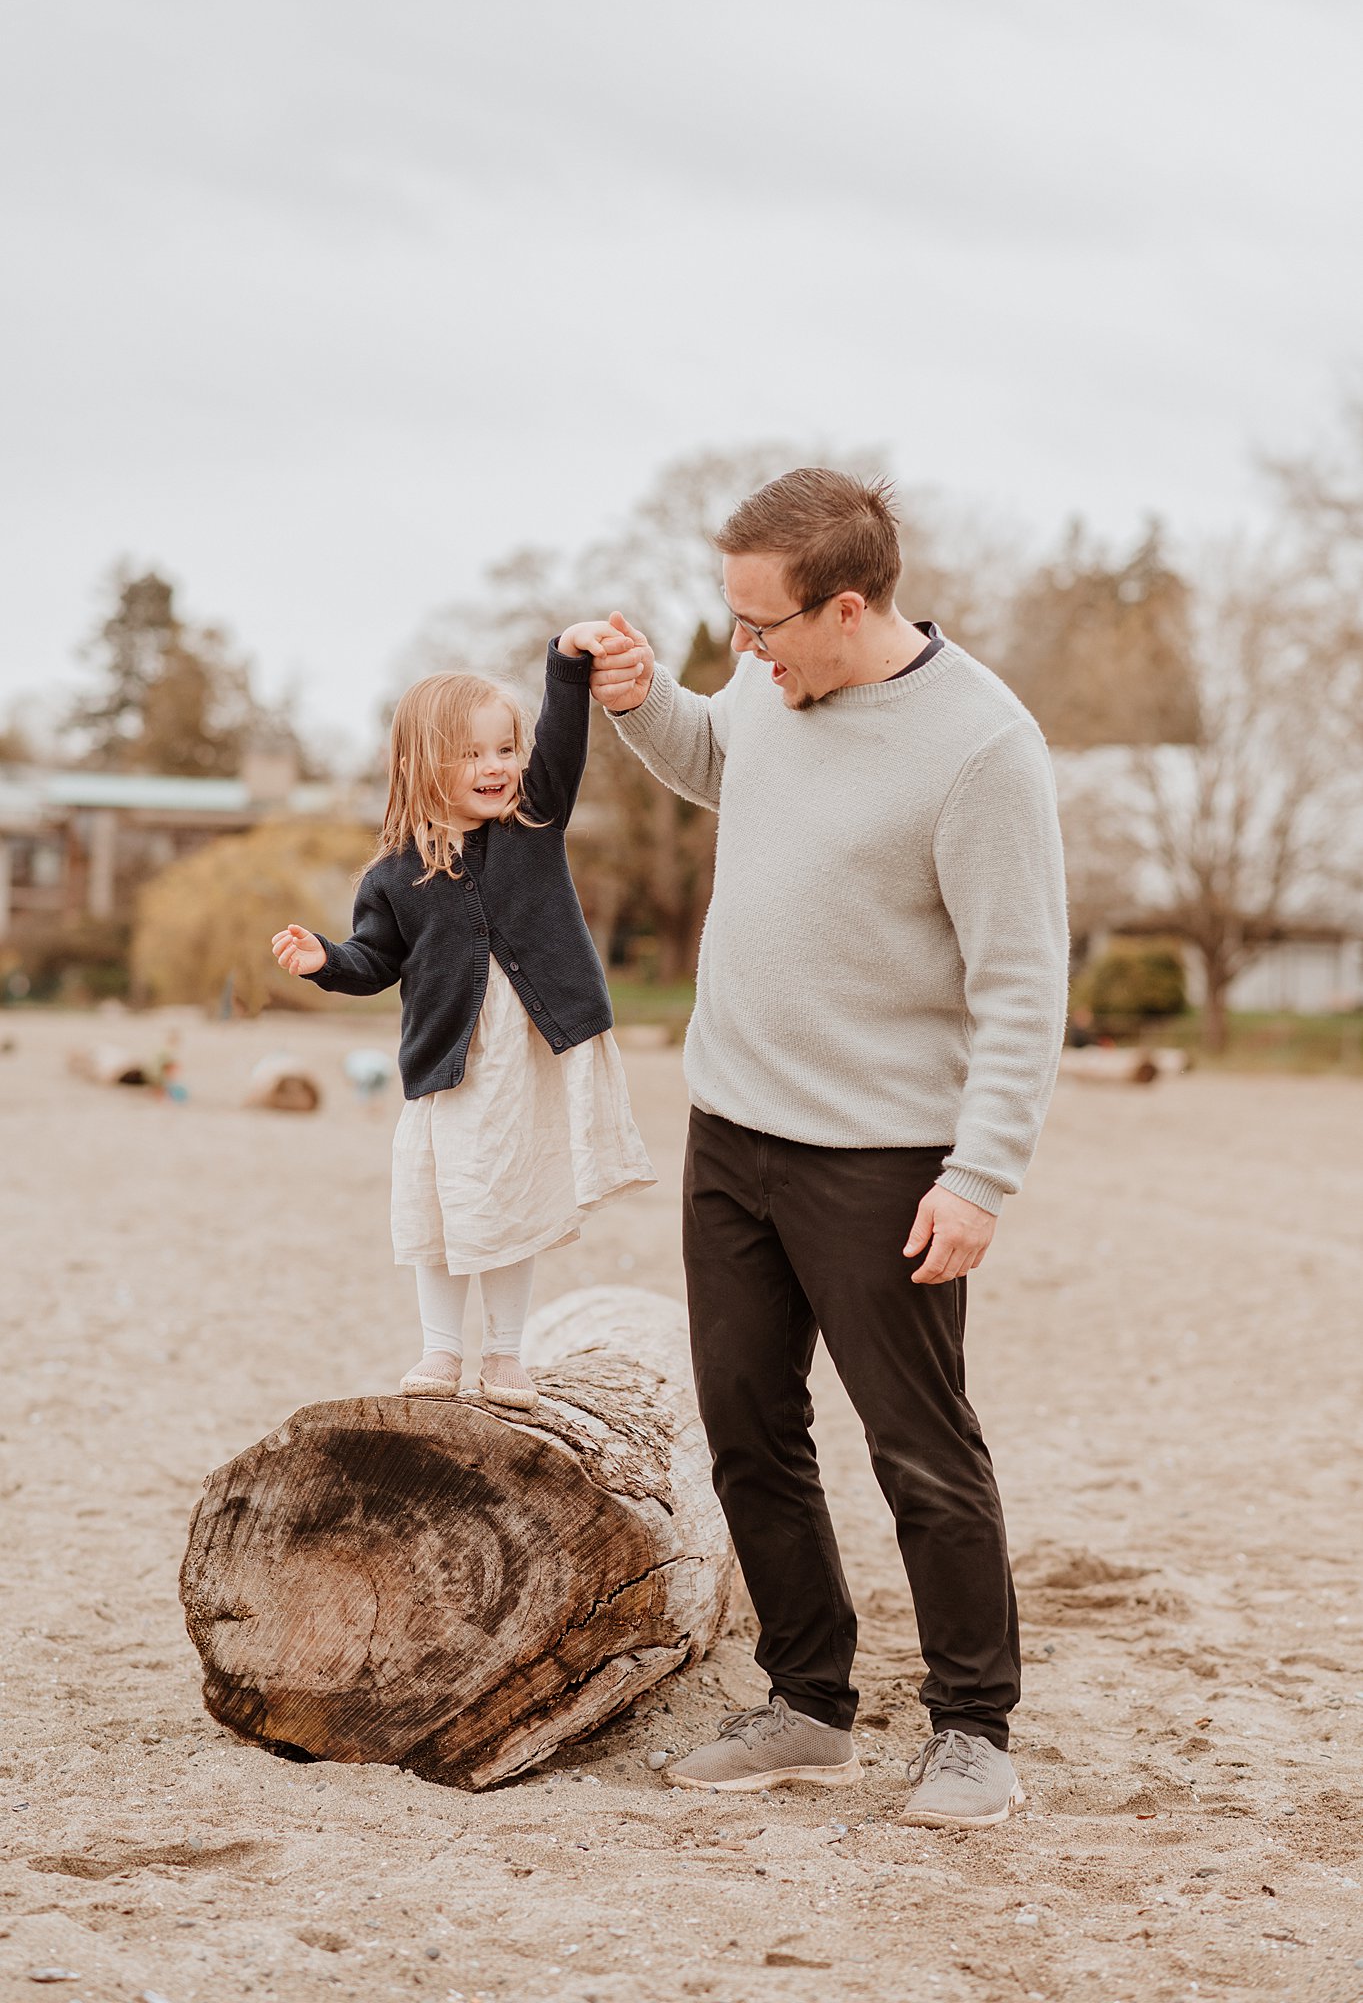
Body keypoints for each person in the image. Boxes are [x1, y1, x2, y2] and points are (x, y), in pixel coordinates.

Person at [568, 469, 1068, 1829]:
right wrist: (634, 702)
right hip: (730, 1130)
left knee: (917, 1446)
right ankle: (806, 1706)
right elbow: (719, 763)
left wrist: (978, 1176)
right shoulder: (771, 686)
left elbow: (1021, 984)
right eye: (726, 622)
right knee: (745, 1426)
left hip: (882, 1161)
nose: (740, 649)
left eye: (759, 625)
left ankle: (972, 1730)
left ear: (844, 608)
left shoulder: (980, 749)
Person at [270, 638, 655, 1407]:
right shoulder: (391, 875)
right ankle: (441, 1352)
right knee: (443, 1207)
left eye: (505, 748)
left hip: (529, 1056)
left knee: (514, 1199)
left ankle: (506, 1356)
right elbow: (374, 962)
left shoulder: (533, 823)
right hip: (452, 1066)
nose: (496, 766)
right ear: (418, 767)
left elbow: (565, 739)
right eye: (472, 753)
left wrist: (567, 662)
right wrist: (326, 961)